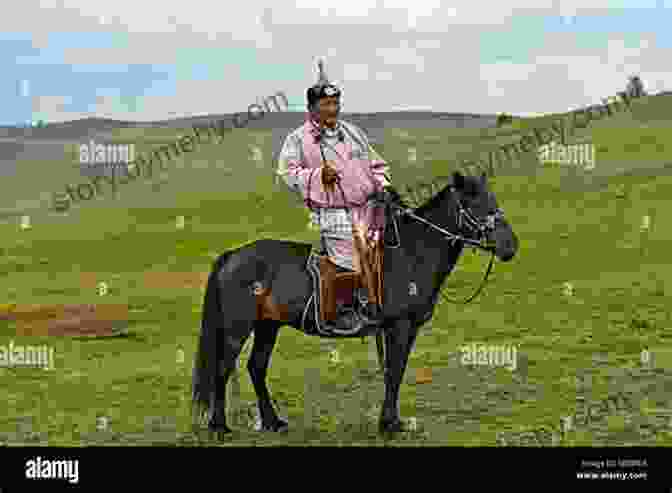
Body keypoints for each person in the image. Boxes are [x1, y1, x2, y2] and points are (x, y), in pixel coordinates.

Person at [276, 60, 392, 332]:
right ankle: (346, 309)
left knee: (389, 249)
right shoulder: (297, 139)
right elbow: (287, 173)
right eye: (326, 104)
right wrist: (317, 176)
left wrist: (383, 186)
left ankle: (390, 301)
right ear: (311, 108)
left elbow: (377, 165)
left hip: (367, 207)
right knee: (351, 253)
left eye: (335, 103)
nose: (332, 109)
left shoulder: (353, 132)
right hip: (331, 212)